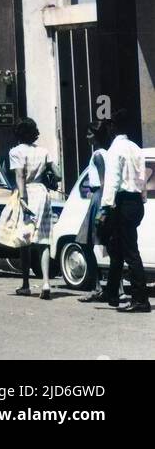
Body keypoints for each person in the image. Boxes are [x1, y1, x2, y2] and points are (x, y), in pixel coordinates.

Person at [96, 109, 150, 312]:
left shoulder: (114, 150)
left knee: (129, 252)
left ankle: (140, 299)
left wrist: (104, 209)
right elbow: (142, 178)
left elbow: (112, 182)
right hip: (135, 202)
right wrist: (142, 199)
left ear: (113, 127)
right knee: (117, 248)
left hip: (121, 202)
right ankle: (111, 293)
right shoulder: (136, 148)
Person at [8, 118, 54, 299]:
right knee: (43, 240)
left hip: (26, 193)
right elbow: (57, 174)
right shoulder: (43, 151)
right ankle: (46, 282)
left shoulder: (16, 151)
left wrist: (23, 198)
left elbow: (19, 176)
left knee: (25, 240)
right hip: (42, 193)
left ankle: (26, 284)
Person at [77, 119, 114, 300]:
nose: (87, 137)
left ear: (97, 136)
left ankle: (97, 286)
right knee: (108, 244)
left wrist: (101, 208)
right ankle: (115, 288)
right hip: (99, 197)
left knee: (85, 242)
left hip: (98, 198)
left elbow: (103, 181)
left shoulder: (98, 155)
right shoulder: (106, 153)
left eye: (90, 134)